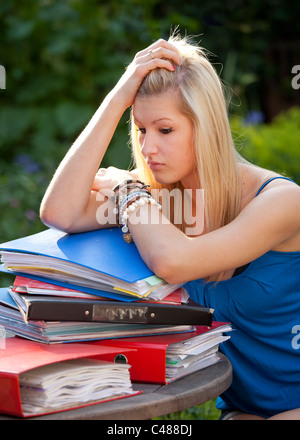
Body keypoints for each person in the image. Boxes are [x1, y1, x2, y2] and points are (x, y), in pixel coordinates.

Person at [40, 34, 300, 420]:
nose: (147, 149)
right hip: (245, 411)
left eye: (165, 130)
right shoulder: (154, 201)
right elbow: (59, 211)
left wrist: (129, 191)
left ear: (206, 127)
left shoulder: (282, 201)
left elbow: (175, 261)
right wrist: (117, 98)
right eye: (141, 130)